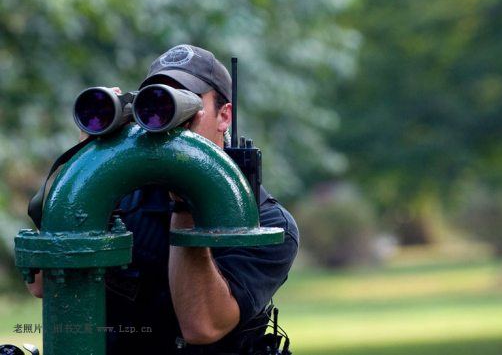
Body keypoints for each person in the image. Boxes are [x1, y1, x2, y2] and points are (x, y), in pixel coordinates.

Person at [26, 44, 299, 354]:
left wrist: (186, 201)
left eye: (185, 102)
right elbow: (41, 285)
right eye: (156, 102)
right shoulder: (121, 197)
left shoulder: (269, 225)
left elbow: (202, 326)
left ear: (224, 116)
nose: (169, 116)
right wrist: (83, 164)